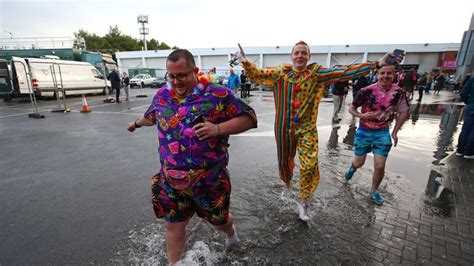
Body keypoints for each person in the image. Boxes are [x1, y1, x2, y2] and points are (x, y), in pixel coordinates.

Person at [238, 41, 404, 221]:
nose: (300, 56)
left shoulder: (317, 74)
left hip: (306, 129)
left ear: (309, 57)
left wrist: (377, 63)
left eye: (304, 53)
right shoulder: (280, 74)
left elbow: (346, 72)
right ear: (292, 56)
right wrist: (245, 60)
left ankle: (304, 202)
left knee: (309, 166)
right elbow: (257, 74)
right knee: (284, 163)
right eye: (297, 53)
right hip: (283, 129)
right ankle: (287, 185)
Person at [126, 49, 257, 264]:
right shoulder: (162, 94)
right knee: (173, 224)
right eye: (172, 76)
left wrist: (217, 128)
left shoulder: (217, 94)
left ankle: (231, 233)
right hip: (172, 179)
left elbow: (250, 118)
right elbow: (152, 115)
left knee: (219, 221)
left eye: (182, 75)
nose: (176, 81)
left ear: (195, 71)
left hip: (210, 179)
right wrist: (135, 124)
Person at [343, 64, 410, 205]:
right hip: (364, 131)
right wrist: (362, 115)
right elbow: (351, 108)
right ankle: (353, 168)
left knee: (380, 166)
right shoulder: (366, 91)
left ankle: (374, 191)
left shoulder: (399, 92)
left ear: (394, 75)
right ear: (377, 74)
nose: (385, 76)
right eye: (382, 73)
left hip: (382, 133)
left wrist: (395, 132)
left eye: (389, 73)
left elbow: (404, 112)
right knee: (359, 162)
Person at [455, 75, 474, 159]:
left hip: (470, 106)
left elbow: (463, 93)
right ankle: (469, 152)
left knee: (465, 129)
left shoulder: (472, 78)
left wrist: (469, 102)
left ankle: (460, 150)